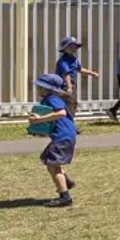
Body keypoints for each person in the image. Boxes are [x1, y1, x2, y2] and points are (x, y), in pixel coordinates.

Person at [28, 72, 78, 208]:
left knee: (52, 165)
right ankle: (66, 182)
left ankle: (65, 197)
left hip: (63, 137)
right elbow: (52, 122)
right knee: (46, 158)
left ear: (49, 89)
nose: (38, 90)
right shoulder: (51, 99)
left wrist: (39, 119)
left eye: (41, 87)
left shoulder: (52, 99)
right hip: (65, 136)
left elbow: (61, 113)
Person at [53, 36, 95, 113]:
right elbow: (66, 74)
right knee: (69, 103)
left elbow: (80, 69)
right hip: (63, 86)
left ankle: (68, 116)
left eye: (75, 46)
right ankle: (65, 117)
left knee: (72, 103)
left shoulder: (74, 59)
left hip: (71, 85)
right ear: (64, 49)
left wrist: (92, 73)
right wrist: (69, 87)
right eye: (71, 47)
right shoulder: (63, 61)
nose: (73, 48)